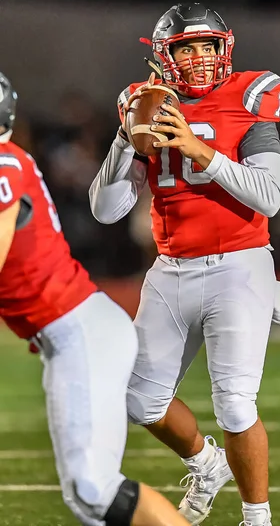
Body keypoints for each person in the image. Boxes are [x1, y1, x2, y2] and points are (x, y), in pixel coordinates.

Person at [89, 2, 280, 526]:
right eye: (185, 47)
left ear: (225, 48)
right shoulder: (148, 103)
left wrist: (199, 151)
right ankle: (206, 463)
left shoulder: (249, 98)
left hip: (238, 265)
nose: (199, 58)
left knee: (236, 405)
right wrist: (125, 136)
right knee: (137, 400)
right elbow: (107, 211)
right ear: (164, 54)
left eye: (207, 45)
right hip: (170, 268)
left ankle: (257, 518)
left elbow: (269, 197)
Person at [0, 72, 191, 526]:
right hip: (73, 333)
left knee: (93, 488)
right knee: (90, 498)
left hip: (80, 330)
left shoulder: (4, 163)